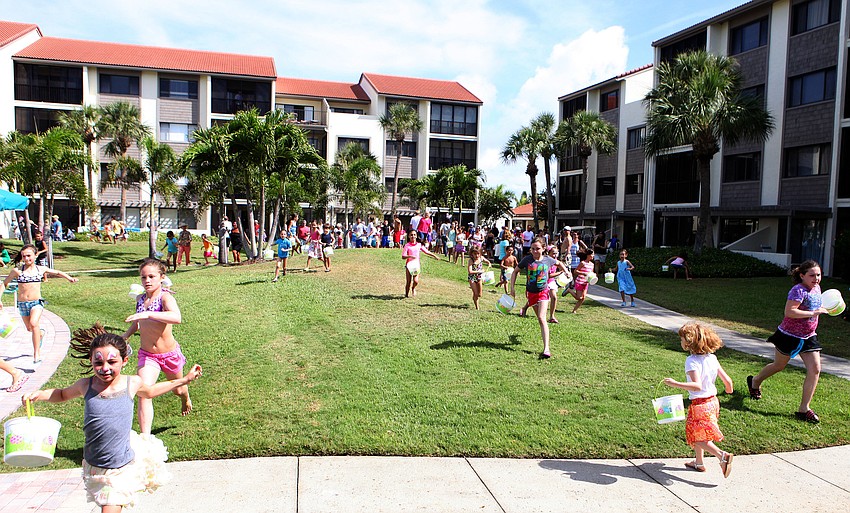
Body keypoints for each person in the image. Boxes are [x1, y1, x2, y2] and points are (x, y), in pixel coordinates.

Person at [23, 325, 202, 512]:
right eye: (98, 363)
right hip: (94, 464)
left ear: (124, 361)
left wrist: (185, 379)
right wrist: (40, 394)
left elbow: (150, 391)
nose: (104, 368)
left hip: (120, 468)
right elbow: (61, 394)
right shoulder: (86, 385)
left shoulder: (131, 383)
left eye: (112, 362)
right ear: (91, 361)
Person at [747, 260, 827, 423]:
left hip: (809, 336)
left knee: (815, 369)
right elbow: (789, 312)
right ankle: (755, 381)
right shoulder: (798, 290)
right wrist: (814, 312)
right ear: (802, 275)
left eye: (818, 275)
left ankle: (804, 409)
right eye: (812, 275)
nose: (816, 278)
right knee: (779, 366)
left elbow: (818, 306)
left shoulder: (817, 288)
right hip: (789, 335)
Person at [122, 258, 192, 434]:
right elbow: (138, 321)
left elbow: (177, 317)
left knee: (178, 389)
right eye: (143, 277)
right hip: (147, 355)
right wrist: (126, 335)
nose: (147, 281)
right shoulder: (140, 299)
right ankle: (145, 437)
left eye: (151, 276)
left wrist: (148, 314)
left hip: (169, 355)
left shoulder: (165, 297)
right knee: (144, 392)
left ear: (161, 277)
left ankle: (185, 396)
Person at [663, 322, 734, 478]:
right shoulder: (712, 358)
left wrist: (675, 383)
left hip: (700, 404)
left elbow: (696, 386)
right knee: (700, 433)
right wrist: (728, 390)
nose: (680, 342)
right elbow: (728, 381)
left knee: (695, 436)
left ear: (689, 342)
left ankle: (722, 455)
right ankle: (699, 462)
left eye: (681, 339)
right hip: (713, 402)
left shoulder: (692, 361)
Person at [2, 244, 79, 364]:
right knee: (29, 329)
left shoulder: (40, 269)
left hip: (36, 303)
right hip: (22, 304)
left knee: (34, 323)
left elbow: (57, 272)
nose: (26, 259)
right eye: (24, 256)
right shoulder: (17, 271)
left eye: (29, 256)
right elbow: (5, 283)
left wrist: (69, 278)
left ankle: (36, 354)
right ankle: (41, 334)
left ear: (35, 255)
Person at [510, 238, 553, 359]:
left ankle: (546, 349)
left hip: (543, 292)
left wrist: (566, 272)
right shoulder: (527, 259)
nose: (535, 251)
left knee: (541, 317)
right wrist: (512, 287)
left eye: (538, 248)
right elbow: (515, 272)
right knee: (540, 320)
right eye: (533, 249)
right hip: (531, 293)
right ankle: (525, 309)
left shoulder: (547, 259)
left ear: (544, 248)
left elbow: (559, 263)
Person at [401, 230, 439, 298]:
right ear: (409, 236)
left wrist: (434, 256)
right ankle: (406, 295)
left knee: (416, 281)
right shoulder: (407, 245)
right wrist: (410, 256)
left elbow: (426, 252)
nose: (413, 236)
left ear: (416, 236)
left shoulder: (419, 245)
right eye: (411, 235)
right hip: (409, 266)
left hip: (416, 266)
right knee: (408, 282)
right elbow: (403, 256)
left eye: (414, 235)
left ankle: (413, 288)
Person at [545, 246, 569, 324]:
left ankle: (552, 316)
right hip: (543, 281)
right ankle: (525, 308)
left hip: (551, 282)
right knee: (536, 300)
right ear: (548, 253)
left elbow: (561, 264)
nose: (555, 255)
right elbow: (548, 275)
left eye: (556, 253)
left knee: (554, 297)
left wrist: (566, 272)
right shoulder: (546, 262)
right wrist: (559, 273)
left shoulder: (555, 261)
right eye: (553, 253)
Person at [567, 249, 595, 314]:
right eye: (592, 254)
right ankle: (569, 290)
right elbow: (575, 271)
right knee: (579, 297)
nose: (593, 256)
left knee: (583, 298)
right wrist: (583, 273)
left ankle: (574, 310)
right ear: (588, 255)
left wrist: (594, 276)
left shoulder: (592, 264)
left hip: (586, 283)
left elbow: (591, 273)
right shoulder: (582, 263)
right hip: (579, 282)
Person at [467, 246, 490, 310]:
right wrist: (479, 271)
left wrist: (489, 264)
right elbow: (470, 271)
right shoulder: (471, 260)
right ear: (472, 254)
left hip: (479, 278)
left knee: (480, 294)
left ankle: (475, 295)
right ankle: (477, 307)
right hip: (472, 278)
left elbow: (487, 261)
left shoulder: (481, 258)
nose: (476, 255)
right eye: (475, 254)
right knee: (476, 293)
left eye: (478, 254)